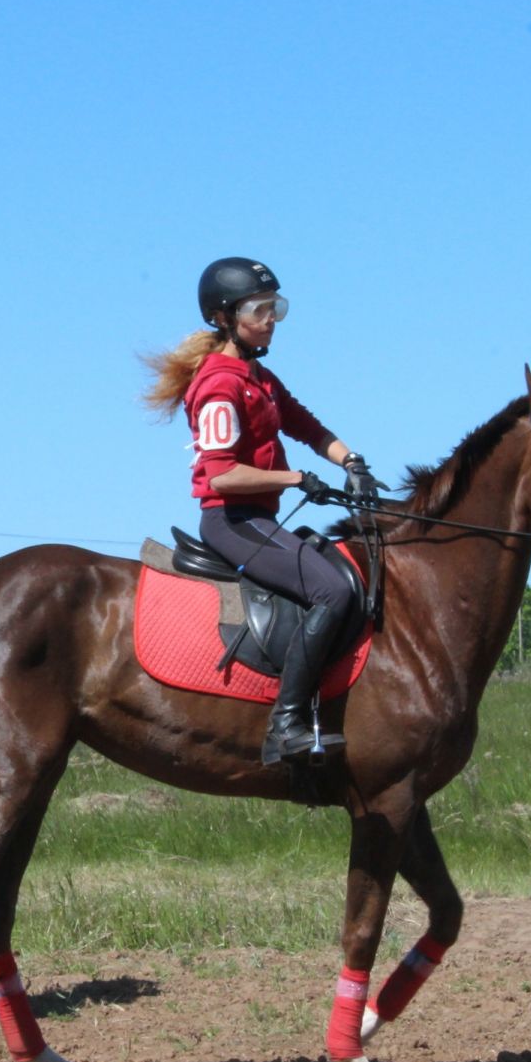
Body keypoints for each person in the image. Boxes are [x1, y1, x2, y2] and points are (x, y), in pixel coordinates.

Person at [142, 257, 381, 765]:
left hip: (261, 518)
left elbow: (308, 427)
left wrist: (352, 462)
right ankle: (285, 726)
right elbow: (223, 476)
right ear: (225, 318)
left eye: (276, 308)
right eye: (260, 309)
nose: (271, 318)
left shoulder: (259, 377)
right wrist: (295, 478)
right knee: (332, 590)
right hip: (232, 521)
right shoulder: (219, 385)